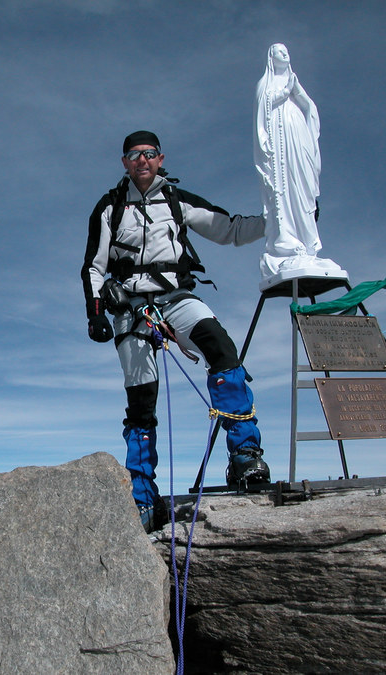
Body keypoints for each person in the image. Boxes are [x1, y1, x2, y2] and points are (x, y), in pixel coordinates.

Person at [81, 130, 270, 532]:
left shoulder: (177, 201)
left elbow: (230, 229)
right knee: (142, 398)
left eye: (149, 154)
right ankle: (143, 497)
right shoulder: (109, 207)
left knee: (220, 347)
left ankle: (245, 456)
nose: (142, 160)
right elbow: (94, 268)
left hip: (177, 298)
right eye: (134, 155)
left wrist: (280, 222)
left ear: (161, 159)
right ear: (125, 163)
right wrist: (95, 312)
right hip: (132, 309)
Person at [254, 43, 342, 281]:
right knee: (286, 192)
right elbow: (264, 106)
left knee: (303, 190)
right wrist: (285, 92)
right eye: (279, 51)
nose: (285, 54)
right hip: (280, 150)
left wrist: (296, 90)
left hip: (298, 140)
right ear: (271, 57)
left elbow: (309, 107)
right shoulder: (266, 84)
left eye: (286, 51)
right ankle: (288, 240)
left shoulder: (293, 81)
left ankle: (309, 242)